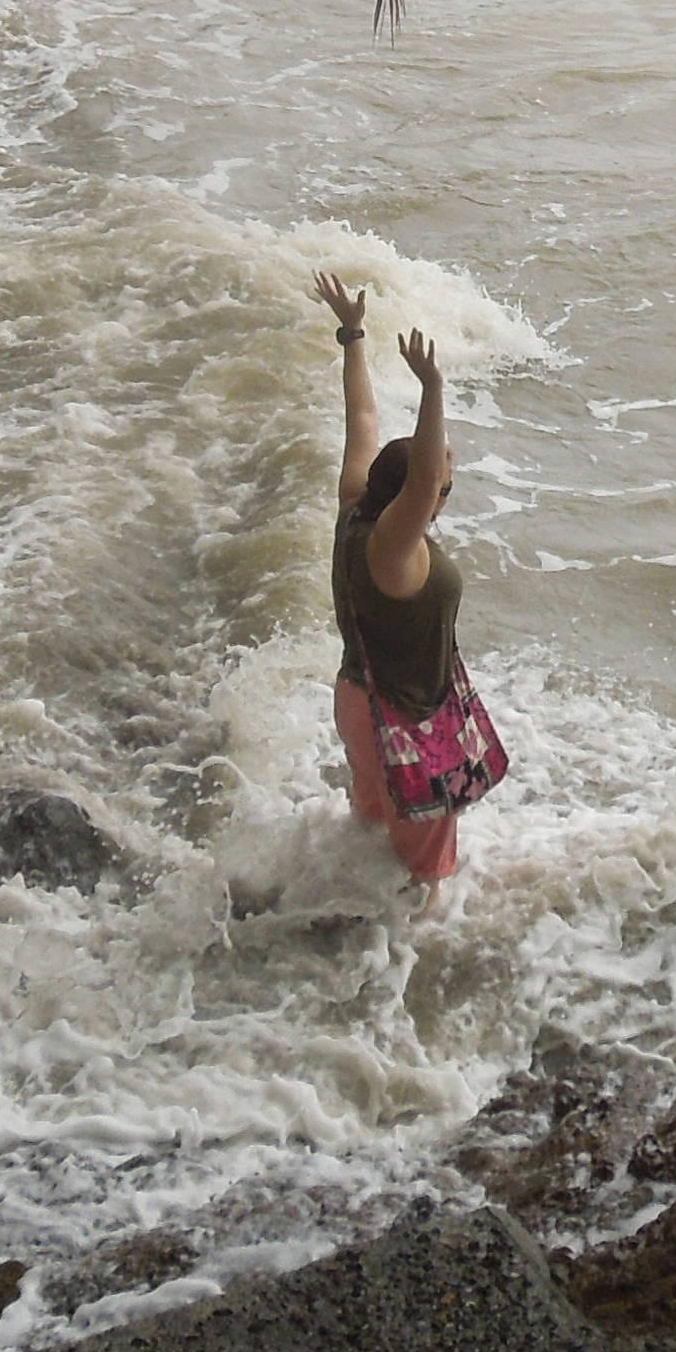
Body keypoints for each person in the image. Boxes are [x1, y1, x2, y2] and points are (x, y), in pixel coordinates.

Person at [313, 269, 463, 901]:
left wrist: (353, 335)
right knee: (426, 869)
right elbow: (424, 480)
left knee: (374, 824)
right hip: (402, 721)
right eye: (444, 483)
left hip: (355, 699)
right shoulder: (393, 551)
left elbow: (364, 415)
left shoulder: (356, 504)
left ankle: (356, 909)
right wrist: (432, 389)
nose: (446, 486)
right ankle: (419, 941)